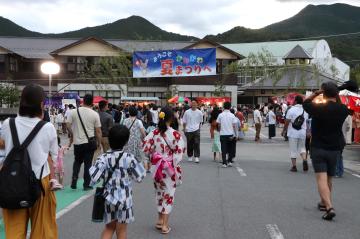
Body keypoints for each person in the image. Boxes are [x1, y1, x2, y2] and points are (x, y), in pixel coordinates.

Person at [0, 84, 59, 238]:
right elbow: (53, 155)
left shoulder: (8, 124)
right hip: (40, 183)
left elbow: (5, 145)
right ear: (41, 104)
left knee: (14, 231)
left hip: (12, 182)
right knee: (43, 230)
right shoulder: (47, 128)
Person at [90, 125, 146, 239]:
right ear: (126, 142)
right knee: (122, 231)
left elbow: (94, 177)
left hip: (108, 198)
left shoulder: (103, 158)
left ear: (109, 140)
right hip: (124, 199)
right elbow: (140, 177)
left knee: (109, 228)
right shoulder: (130, 158)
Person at [303, 82, 349, 220]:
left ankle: (329, 207)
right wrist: (335, 94)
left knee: (321, 179)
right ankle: (324, 202)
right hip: (335, 148)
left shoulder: (318, 108)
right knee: (329, 177)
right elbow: (339, 103)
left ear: (323, 93)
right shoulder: (343, 109)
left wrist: (317, 93)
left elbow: (305, 102)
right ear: (336, 94)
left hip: (318, 147)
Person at [143, 107, 185, 235]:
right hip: (169, 168)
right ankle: (165, 225)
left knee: (159, 193)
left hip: (157, 168)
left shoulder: (154, 133)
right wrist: (172, 162)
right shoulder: (175, 134)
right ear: (171, 118)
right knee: (168, 195)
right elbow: (180, 153)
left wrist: (151, 159)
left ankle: (160, 220)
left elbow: (146, 148)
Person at [67, 94, 102, 190]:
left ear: (83, 101)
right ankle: (86, 185)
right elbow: (98, 131)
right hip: (89, 142)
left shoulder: (73, 112)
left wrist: (72, 133)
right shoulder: (95, 114)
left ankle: (74, 181)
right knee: (88, 164)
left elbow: (67, 124)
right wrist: (99, 143)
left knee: (77, 161)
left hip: (77, 142)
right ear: (92, 102)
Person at [282, 96, 309, 172]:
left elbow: (287, 121)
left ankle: (294, 166)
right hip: (302, 132)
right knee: (302, 148)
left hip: (293, 132)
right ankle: (304, 159)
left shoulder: (291, 110)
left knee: (293, 150)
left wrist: (284, 130)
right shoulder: (305, 110)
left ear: (296, 101)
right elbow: (306, 122)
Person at [217, 102, 237, 168]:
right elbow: (234, 125)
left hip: (223, 134)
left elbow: (219, 125)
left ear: (223, 107)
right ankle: (230, 161)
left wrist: (220, 131)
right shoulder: (232, 115)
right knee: (231, 149)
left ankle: (224, 163)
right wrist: (235, 134)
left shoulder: (220, 115)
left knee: (223, 149)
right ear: (230, 107)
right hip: (230, 134)